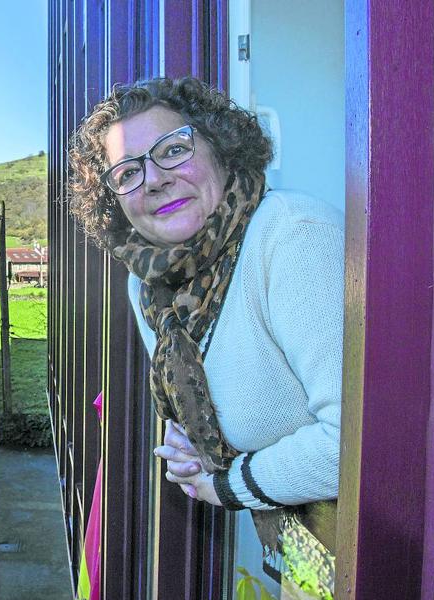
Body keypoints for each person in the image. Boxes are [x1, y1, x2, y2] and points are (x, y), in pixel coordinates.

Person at [67, 77, 343, 543]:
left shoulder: (294, 238)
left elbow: (355, 442)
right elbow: (216, 421)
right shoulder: (148, 286)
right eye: (127, 173)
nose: (153, 179)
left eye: (173, 150)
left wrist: (222, 483)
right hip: (297, 550)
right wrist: (197, 451)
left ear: (219, 147)